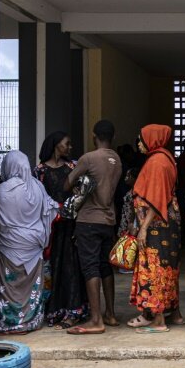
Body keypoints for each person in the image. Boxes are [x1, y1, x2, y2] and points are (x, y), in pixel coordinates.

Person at [64, 120, 122, 335]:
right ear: (113, 138)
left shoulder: (88, 158)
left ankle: (96, 319)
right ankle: (111, 314)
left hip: (88, 219)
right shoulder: (117, 159)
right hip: (109, 220)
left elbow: (67, 183)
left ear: (93, 135)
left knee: (90, 267)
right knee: (106, 266)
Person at [128, 124, 183, 333]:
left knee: (155, 269)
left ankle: (158, 320)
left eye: (141, 140)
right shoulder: (165, 158)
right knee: (169, 268)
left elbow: (156, 199)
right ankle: (173, 314)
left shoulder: (157, 162)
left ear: (152, 140)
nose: (139, 144)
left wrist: (143, 227)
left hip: (157, 227)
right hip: (167, 225)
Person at [0, 151, 59, 334]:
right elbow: (50, 212)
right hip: (34, 244)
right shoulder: (38, 187)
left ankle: (10, 323)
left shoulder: (1, 191)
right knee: (32, 285)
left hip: (8, 245)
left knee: (9, 285)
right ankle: (31, 321)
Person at [34, 131, 88, 329]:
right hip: (51, 228)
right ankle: (54, 310)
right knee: (53, 269)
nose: (70, 147)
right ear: (57, 145)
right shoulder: (39, 171)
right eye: (67, 143)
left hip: (71, 224)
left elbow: (82, 193)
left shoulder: (72, 167)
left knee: (72, 268)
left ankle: (74, 311)